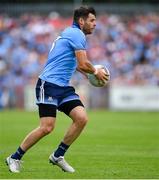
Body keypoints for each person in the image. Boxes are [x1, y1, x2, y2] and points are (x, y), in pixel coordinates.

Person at [6, 6, 109, 173]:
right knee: (47, 127)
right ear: (81, 21)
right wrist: (95, 71)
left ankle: (58, 156)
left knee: (81, 118)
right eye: (92, 20)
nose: (95, 24)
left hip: (63, 87)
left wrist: (87, 75)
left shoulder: (72, 33)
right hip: (48, 84)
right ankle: (15, 157)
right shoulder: (77, 34)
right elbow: (83, 63)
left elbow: (75, 64)